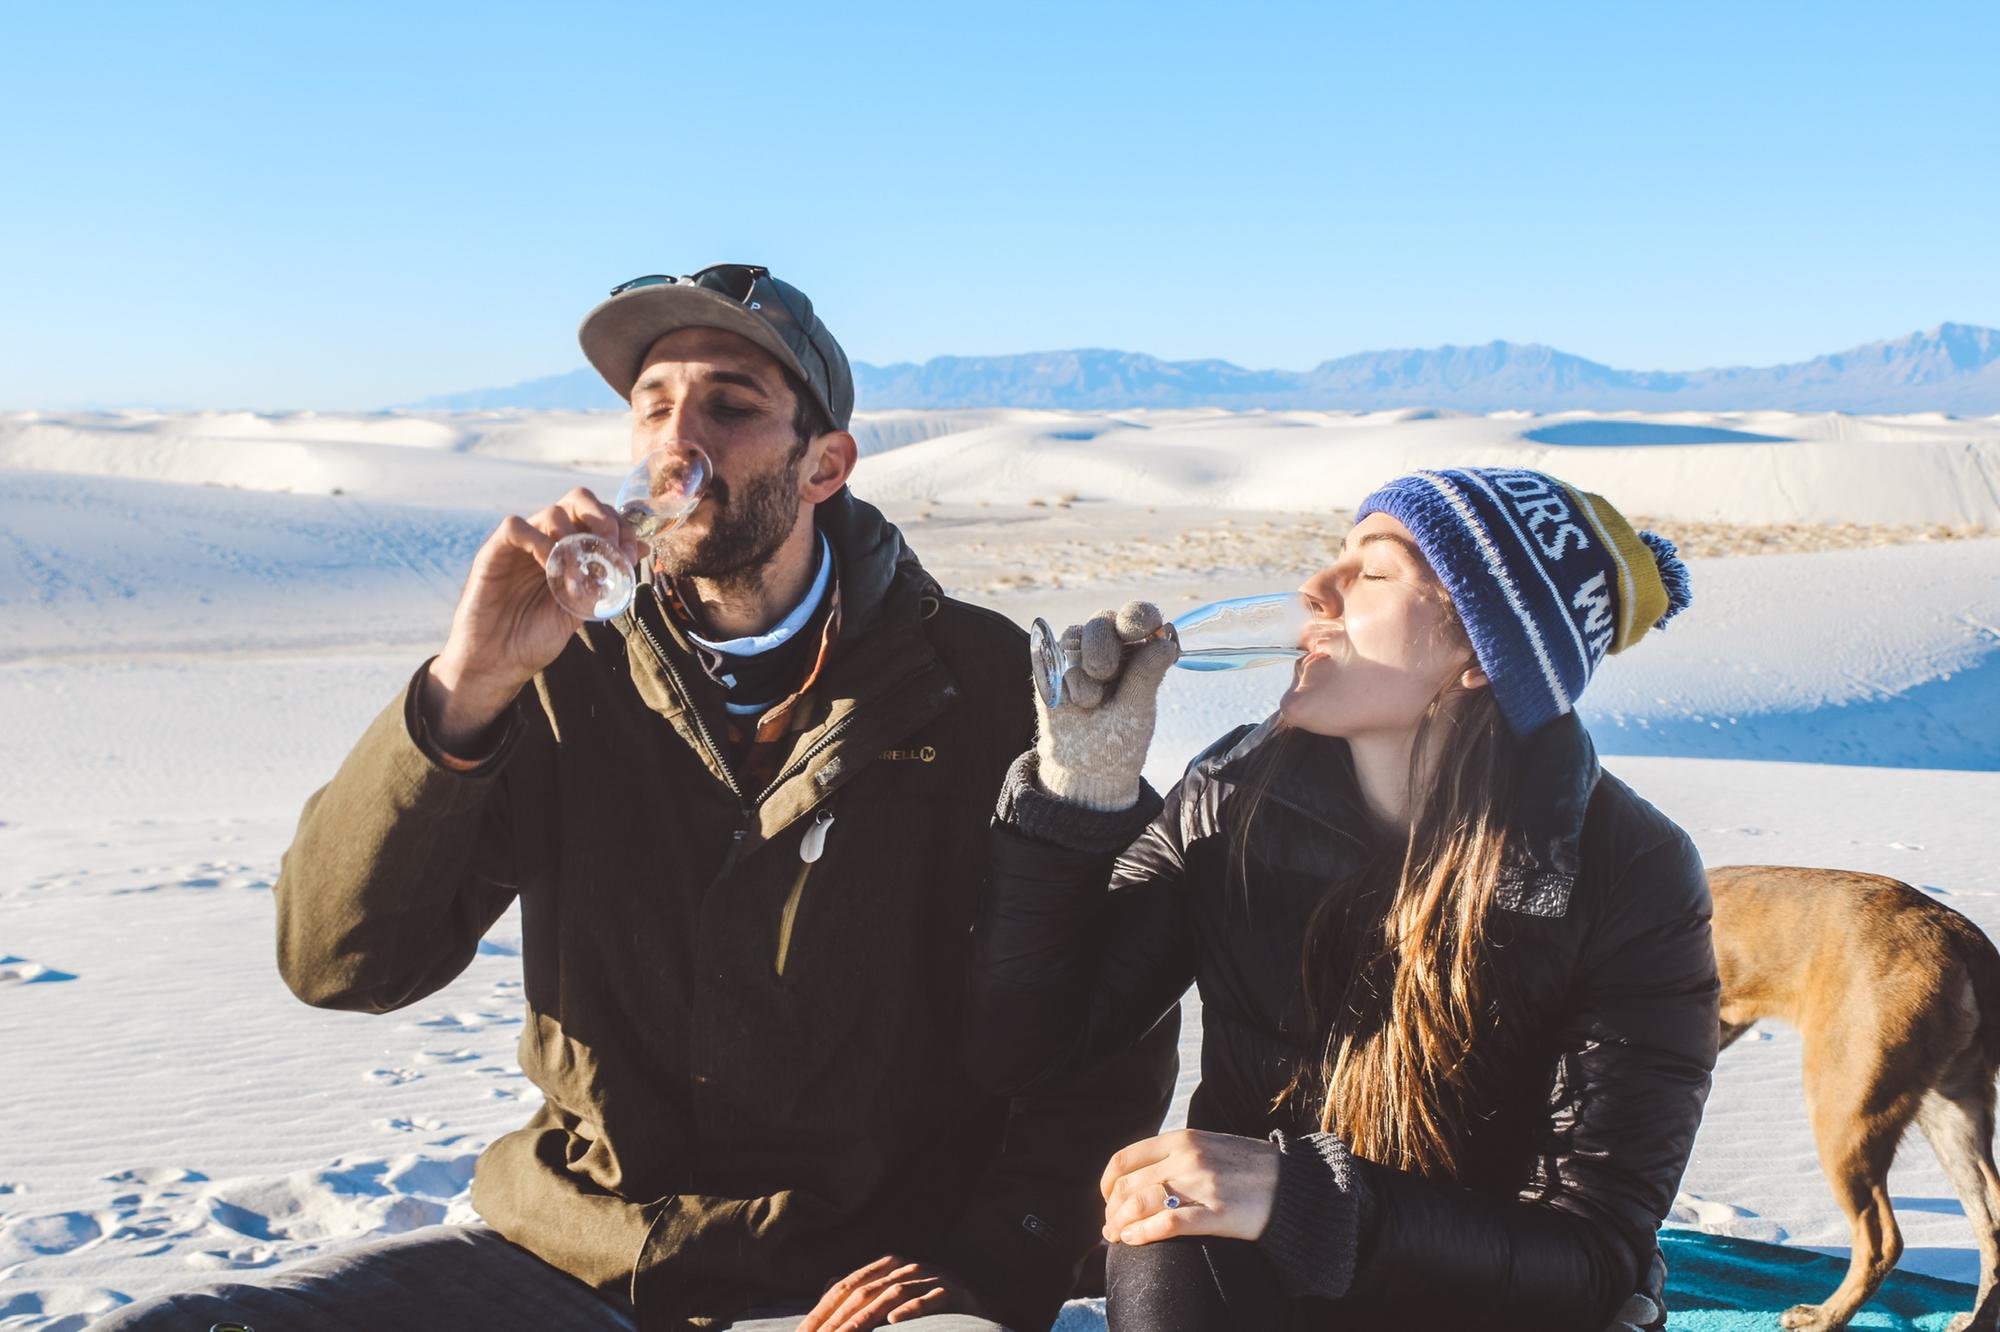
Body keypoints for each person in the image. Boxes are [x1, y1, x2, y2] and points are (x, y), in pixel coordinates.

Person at [102, 265, 1176, 1332]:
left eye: (730, 405)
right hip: (573, 1255)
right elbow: (340, 966)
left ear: (824, 465)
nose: (679, 441)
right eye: (652, 406)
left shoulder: (976, 684)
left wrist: (994, 1267)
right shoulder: (562, 675)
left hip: (850, 1280)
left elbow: (1098, 1032)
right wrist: (462, 693)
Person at [964, 467, 1719, 1331]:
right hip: (1276, 1288)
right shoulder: (1234, 796)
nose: (1315, 592)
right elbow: (1027, 1052)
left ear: (1482, 651)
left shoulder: (1634, 875)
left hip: (1496, 1301)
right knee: (1168, 1236)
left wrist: (1307, 1198)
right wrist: (1078, 794)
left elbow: (1592, 1252)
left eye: (1373, 570)